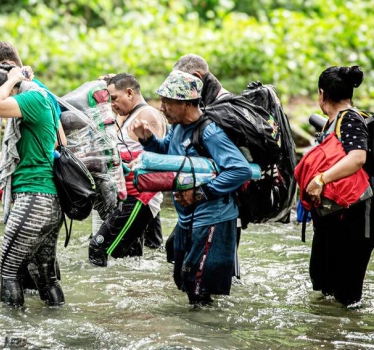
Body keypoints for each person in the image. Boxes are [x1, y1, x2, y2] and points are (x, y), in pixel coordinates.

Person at [132, 70, 252, 306]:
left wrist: (199, 193)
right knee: (185, 280)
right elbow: (168, 152)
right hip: (188, 218)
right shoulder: (177, 128)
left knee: (199, 287)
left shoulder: (210, 132)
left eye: (168, 103)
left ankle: (210, 337)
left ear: (187, 104)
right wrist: (147, 139)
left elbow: (240, 170)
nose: (162, 108)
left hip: (213, 218)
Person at [0, 41, 64, 292]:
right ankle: (51, 325)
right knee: (46, 278)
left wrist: (10, 81)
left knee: (8, 272)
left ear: (10, 68)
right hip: (49, 199)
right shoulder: (34, 96)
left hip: (34, 196)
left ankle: (12, 331)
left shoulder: (32, 95)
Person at [302, 66, 373, 307]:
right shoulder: (332, 124)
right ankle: (329, 336)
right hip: (336, 217)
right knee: (325, 285)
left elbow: (357, 158)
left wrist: (321, 179)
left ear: (322, 94)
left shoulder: (349, 119)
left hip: (356, 217)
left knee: (347, 296)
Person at [88, 73, 166, 266]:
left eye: (114, 98)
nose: (112, 104)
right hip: (127, 196)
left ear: (130, 93)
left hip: (140, 197)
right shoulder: (127, 115)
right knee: (129, 260)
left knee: (98, 248)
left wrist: (133, 164)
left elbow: (160, 155)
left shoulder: (147, 115)